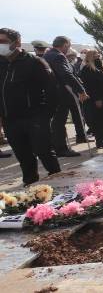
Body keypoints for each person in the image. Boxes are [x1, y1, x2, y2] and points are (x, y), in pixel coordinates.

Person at [0, 28, 61, 184]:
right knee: (24, 158)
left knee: (44, 152)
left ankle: (61, 183)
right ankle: (31, 189)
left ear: (17, 42)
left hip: (35, 118)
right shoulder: (2, 64)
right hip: (10, 120)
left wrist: (45, 115)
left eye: (3, 42)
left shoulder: (35, 62)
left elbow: (52, 90)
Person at [44, 36, 87, 157]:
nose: (69, 48)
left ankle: (57, 146)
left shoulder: (47, 55)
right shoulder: (58, 56)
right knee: (59, 122)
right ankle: (61, 148)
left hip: (50, 93)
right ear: (65, 45)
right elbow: (66, 74)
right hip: (61, 94)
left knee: (56, 122)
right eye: (68, 45)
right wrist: (81, 90)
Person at [79, 50, 103, 149]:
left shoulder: (101, 67)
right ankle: (99, 141)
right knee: (98, 120)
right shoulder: (87, 69)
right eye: (96, 54)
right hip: (96, 99)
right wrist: (97, 99)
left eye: (98, 54)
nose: (98, 56)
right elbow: (90, 86)